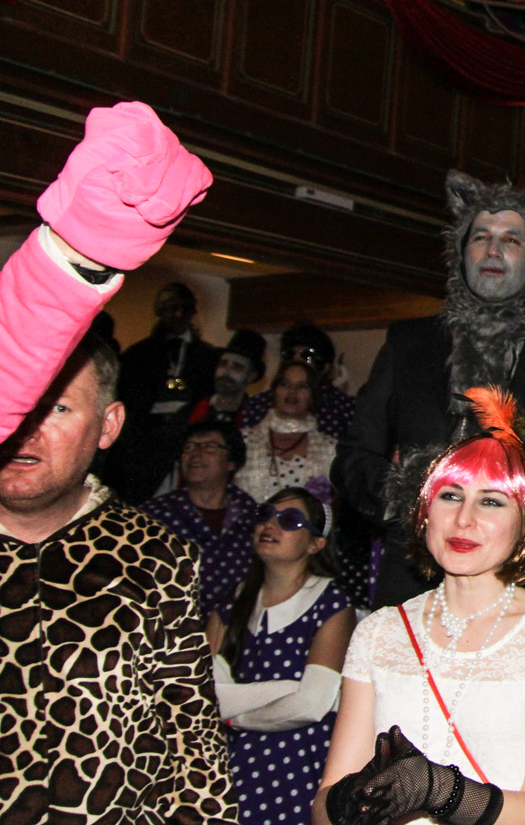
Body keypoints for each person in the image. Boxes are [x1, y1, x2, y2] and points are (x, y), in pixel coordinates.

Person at [332, 172, 525, 700]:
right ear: (459, 252)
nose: (493, 249)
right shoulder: (408, 344)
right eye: (480, 236)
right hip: (411, 591)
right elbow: (352, 457)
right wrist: (410, 494)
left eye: (512, 239)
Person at [315, 388, 525, 825]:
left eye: (491, 501)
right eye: (450, 495)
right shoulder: (380, 631)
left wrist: (438, 789)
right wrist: (348, 802)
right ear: (426, 511)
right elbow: (324, 801)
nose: (464, 519)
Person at [0, 336, 236, 822]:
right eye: (14, 400)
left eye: (57, 408)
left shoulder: (156, 556)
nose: (26, 427)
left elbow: (193, 744)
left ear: (108, 425)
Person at [0, 100, 211, 443]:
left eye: (59, 408)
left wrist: (80, 248)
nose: (32, 431)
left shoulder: (202, 357)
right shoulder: (143, 354)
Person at [210, 486, 353, 825]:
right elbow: (207, 695)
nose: (270, 525)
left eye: (289, 520)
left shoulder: (332, 603)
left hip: (302, 762)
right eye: (265, 515)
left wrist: (237, 718)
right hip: (233, 762)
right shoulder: (232, 601)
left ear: (316, 544)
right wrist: (287, 689)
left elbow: (311, 705)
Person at [113, 280, 221, 503]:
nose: (178, 314)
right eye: (171, 308)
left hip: (187, 437)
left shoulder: (208, 356)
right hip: (145, 443)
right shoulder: (137, 355)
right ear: (159, 312)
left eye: (185, 308)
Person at [143, 419, 258, 617]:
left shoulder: (251, 515)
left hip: (236, 627)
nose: (195, 453)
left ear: (231, 462)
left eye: (209, 447)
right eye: (188, 447)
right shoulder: (154, 516)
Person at [240, 360, 337, 501]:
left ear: (312, 396)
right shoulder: (243, 440)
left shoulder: (330, 449)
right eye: (285, 384)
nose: (292, 391)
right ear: (274, 391)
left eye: (302, 386)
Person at [240, 323, 356, 438]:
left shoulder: (344, 409)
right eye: (289, 354)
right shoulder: (257, 405)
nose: (296, 358)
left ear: (324, 367)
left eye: (307, 355)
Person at [191, 328, 267, 427]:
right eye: (223, 364)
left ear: (251, 377)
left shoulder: (256, 418)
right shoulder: (193, 410)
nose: (226, 371)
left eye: (237, 367)